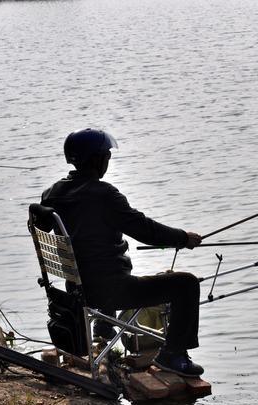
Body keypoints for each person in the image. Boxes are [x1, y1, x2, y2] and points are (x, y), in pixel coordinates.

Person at [40, 128, 204, 377]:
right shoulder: (104, 195)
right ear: (96, 159)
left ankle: (103, 335)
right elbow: (146, 230)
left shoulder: (52, 194)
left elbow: (44, 223)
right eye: (106, 155)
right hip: (111, 292)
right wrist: (183, 238)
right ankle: (173, 356)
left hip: (77, 289)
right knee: (187, 284)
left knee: (103, 264)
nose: (108, 160)